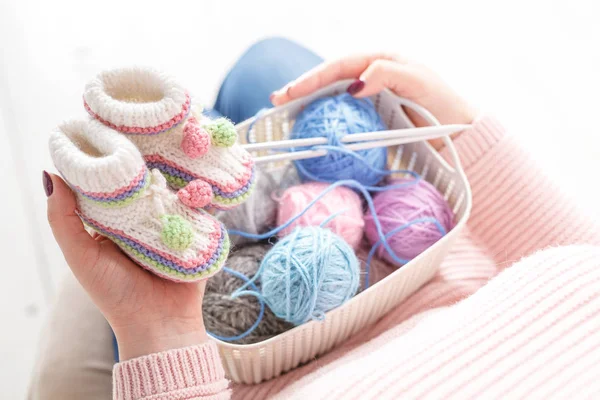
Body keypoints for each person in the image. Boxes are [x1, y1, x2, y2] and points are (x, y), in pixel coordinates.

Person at [31, 37, 600, 399]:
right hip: (430, 268)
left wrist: (158, 332)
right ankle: (147, 149)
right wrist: (461, 127)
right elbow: (583, 259)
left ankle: (140, 167)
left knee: (242, 108)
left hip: (240, 357)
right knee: (268, 64)